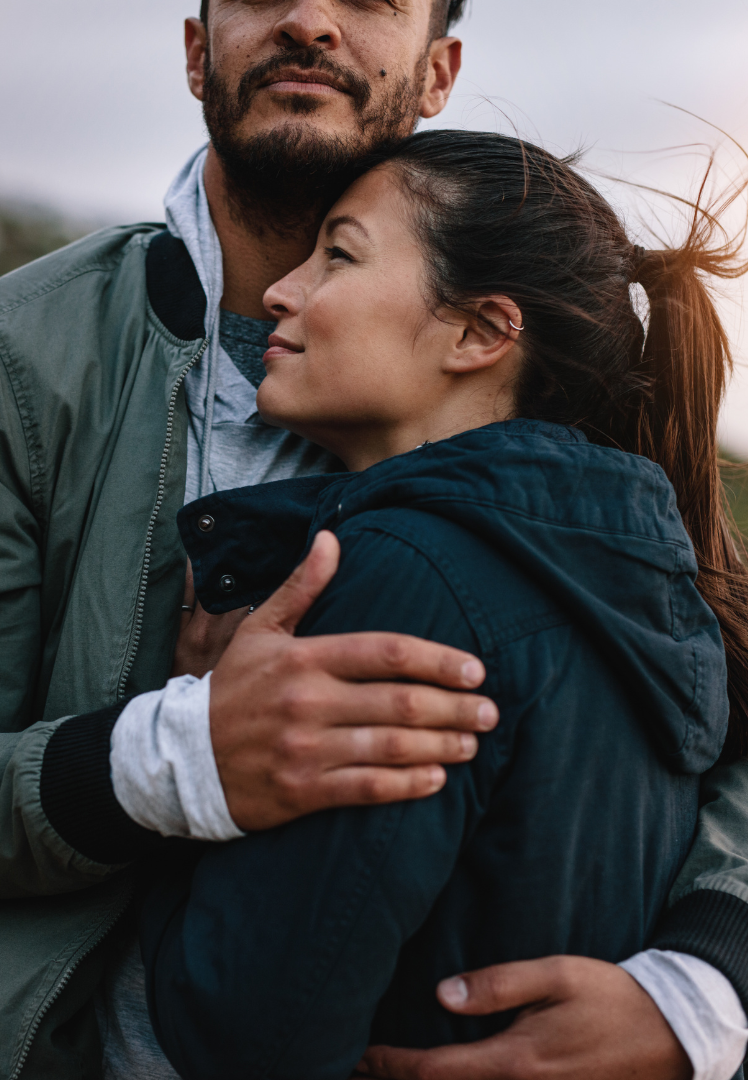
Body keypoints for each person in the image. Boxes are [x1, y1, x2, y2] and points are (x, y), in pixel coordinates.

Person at [0, 2, 748, 1078]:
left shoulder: (542, 363)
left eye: (370, 0)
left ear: (439, 68)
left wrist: (701, 988)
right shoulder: (9, 360)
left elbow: (713, 694)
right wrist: (172, 757)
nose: (311, 18)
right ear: (194, 48)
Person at [138, 129, 748, 1080]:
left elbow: (245, 1029)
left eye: (338, 254)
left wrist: (196, 750)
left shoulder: (403, 575)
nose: (279, 293)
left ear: (476, 332)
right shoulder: (633, 579)